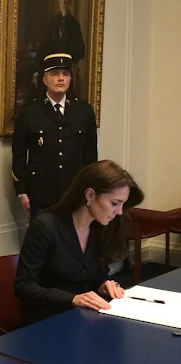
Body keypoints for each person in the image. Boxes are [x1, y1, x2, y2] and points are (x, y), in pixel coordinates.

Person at [15, 159, 144, 324]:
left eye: (122, 205)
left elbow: (93, 276)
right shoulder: (45, 227)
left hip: (85, 318)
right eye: (114, 203)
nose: (119, 212)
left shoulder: (100, 227)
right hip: (48, 320)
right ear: (90, 195)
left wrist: (103, 284)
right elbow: (24, 286)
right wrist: (73, 299)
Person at [12, 52, 97, 220]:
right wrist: (21, 191)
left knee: (73, 241)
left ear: (70, 79)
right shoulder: (29, 112)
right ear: (44, 80)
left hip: (75, 190)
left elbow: (91, 156)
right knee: (43, 241)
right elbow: (19, 156)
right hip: (41, 192)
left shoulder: (84, 112)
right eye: (55, 74)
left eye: (65, 74)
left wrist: (90, 188)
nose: (61, 79)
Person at [29, 0, 85, 97]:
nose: (64, 1)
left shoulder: (74, 24)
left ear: (71, 0)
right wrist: (36, 70)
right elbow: (43, 47)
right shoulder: (53, 22)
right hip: (50, 69)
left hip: (66, 71)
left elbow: (81, 51)